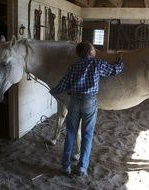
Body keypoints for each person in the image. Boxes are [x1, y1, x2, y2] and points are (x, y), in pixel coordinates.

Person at [50, 42, 124, 177]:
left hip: (74, 101)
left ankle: (65, 166)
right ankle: (82, 168)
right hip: (89, 101)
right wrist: (120, 61)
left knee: (71, 133)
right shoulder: (96, 63)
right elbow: (114, 70)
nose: (95, 50)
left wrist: (54, 91)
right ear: (90, 52)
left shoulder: (73, 66)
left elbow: (64, 83)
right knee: (87, 135)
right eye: (93, 49)